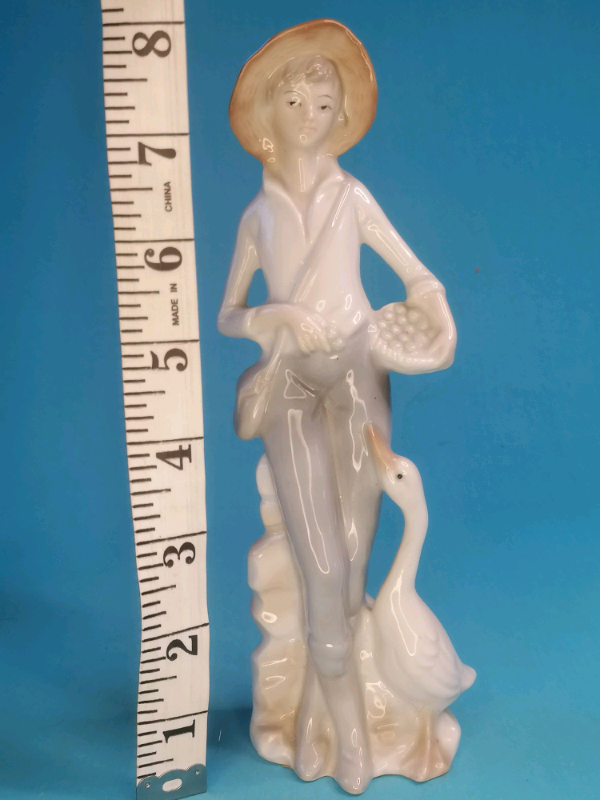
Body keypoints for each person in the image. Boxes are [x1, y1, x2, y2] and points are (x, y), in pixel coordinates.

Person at [219, 19, 456, 794]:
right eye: (296, 102)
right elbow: (228, 314)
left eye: (325, 105)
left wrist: (433, 308)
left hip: (357, 377)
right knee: (320, 564)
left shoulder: (353, 197)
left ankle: (319, 720)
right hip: (289, 386)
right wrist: (279, 315)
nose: (311, 117)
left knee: (350, 567)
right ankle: (348, 736)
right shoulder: (257, 217)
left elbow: (416, 273)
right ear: (270, 113)